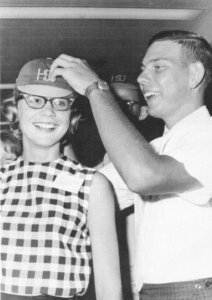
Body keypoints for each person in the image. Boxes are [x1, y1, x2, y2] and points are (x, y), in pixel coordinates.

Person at [49, 30, 212, 300]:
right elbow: (82, 193)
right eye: (143, 68)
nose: (141, 78)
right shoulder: (157, 148)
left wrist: (95, 89)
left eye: (158, 67)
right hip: (154, 293)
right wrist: (55, 134)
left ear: (194, 74)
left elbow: (145, 176)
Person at [0, 58, 122, 300]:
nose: (48, 111)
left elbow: (110, 289)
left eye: (60, 103)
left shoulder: (93, 184)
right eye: (35, 100)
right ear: (16, 107)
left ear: (72, 113)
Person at [96, 75, 148, 300]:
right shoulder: (103, 156)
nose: (118, 112)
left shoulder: (153, 154)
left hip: (142, 269)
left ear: (144, 112)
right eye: (113, 104)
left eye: (127, 104)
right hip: (112, 267)